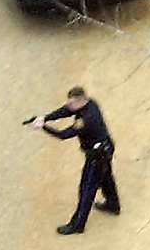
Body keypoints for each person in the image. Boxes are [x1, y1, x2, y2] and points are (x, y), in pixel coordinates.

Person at [30, 86, 120, 235]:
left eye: (71, 103)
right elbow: (65, 111)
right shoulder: (90, 103)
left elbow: (63, 135)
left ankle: (78, 224)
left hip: (97, 156)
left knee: (87, 189)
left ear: (80, 101)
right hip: (105, 148)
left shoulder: (86, 119)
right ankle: (113, 204)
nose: (69, 106)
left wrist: (44, 127)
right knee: (106, 178)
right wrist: (46, 117)